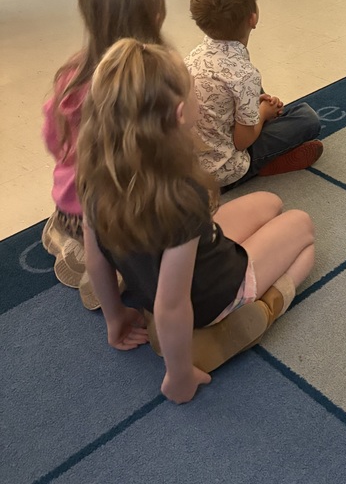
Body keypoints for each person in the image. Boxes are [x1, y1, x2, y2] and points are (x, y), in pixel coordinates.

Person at [77, 39, 315, 404]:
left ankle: (169, 324)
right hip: (210, 294)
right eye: (193, 92)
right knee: (303, 230)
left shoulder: (94, 171)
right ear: (178, 114)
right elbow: (173, 303)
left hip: (172, 271)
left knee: (271, 202)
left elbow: (95, 259)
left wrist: (116, 318)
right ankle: (256, 312)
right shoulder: (180, 196)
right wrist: (179, 374)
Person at [40, 0, 167, 307]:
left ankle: (74, 242)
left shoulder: (72, 73)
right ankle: (117, 269)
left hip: (76, 205)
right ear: (155, 16)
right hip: (124, 215)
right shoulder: (156, 78)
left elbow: (54, 140)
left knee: (84, 216)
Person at [185, 0, 323, 185]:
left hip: (187, 165)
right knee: (306, 118)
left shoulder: (193, 56)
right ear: (253, 18)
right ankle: (262, 166)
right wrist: (263, 113)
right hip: (223, 170)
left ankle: (259, 126)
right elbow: (242, 142)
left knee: (256, 94)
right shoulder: (244, 74)